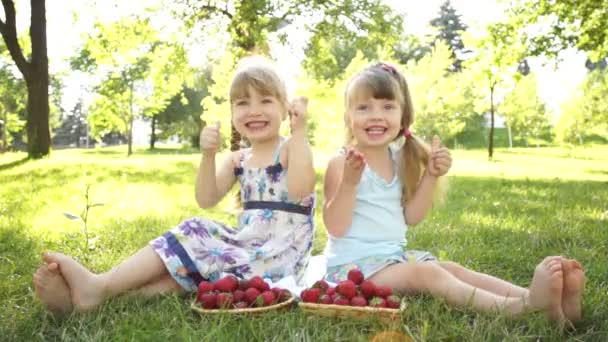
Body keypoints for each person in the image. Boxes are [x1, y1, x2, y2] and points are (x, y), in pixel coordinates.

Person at [33, 57, 316, 314]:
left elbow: (302, 189)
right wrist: (207, 156)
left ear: (284, 109)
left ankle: (99, 286)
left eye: (265, 101)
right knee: (189, 256)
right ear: (232, 112)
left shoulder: (292, 148)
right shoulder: (238, 159)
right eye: (243, 103)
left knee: (198, 248)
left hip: (279, 257)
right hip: (245, 245)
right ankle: (95, 299)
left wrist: (299, 132)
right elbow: (206, 198)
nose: (254, 110)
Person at [321, 62, 585, 325]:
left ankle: (549, 302)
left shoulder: (399, 160)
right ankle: (519, 307)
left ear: (403, 117)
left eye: (387, 107)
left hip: (392, 259)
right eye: (364, 107)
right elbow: (336, 227)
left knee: (453, 269)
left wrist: (431, 176)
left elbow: (411, 217)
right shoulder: (341, 163)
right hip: (353, 269)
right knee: (427, 275)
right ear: (348, 117)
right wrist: (350, 183)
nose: (376, 115)